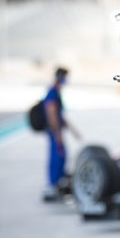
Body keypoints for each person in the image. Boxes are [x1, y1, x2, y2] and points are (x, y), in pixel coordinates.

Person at [42, 67, 80, 201]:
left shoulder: (56, 91)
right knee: (57, 157)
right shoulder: (53, 92)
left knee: (61, 157)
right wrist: (57, 134)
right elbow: (52, 114)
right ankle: (53, 185)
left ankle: (57, 184)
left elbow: (60, 115)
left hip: (56, 130)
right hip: (54, 132)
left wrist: (73, 131)